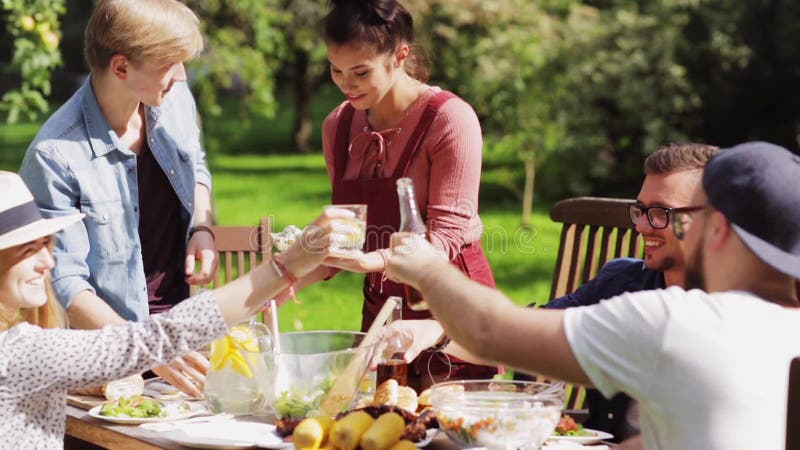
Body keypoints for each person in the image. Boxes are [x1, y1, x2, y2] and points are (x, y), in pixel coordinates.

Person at [386, 141, 800, 450]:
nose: (648, 228)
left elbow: (489, 330)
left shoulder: (680, 322)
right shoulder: (784, 329)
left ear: (718, 229)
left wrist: (424, 266)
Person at [0, 170, 349, 449]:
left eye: (46, 245)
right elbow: (154, 340)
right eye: (27, 250)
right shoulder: (18, 354)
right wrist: (283, 267)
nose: (48, 261)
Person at [285, 0, 496, 389]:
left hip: (452, 316)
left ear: (400, 56)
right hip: (383, 318)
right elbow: (347, 236)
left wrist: (374, 261)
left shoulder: (449, 119)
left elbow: (446, 237)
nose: (346, 84)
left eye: (361, 72)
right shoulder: (339, 125)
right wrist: (289, 278)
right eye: (336, 70)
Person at [19, 0, 216, 397]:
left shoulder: (173, 99)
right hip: (106, 362)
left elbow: (197, 165)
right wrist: (145, 346)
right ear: (122, 67)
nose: (181, 76)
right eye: (169, 64)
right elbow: (64, 284)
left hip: (182, 338)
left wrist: (202, 227)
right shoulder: (55, 156)